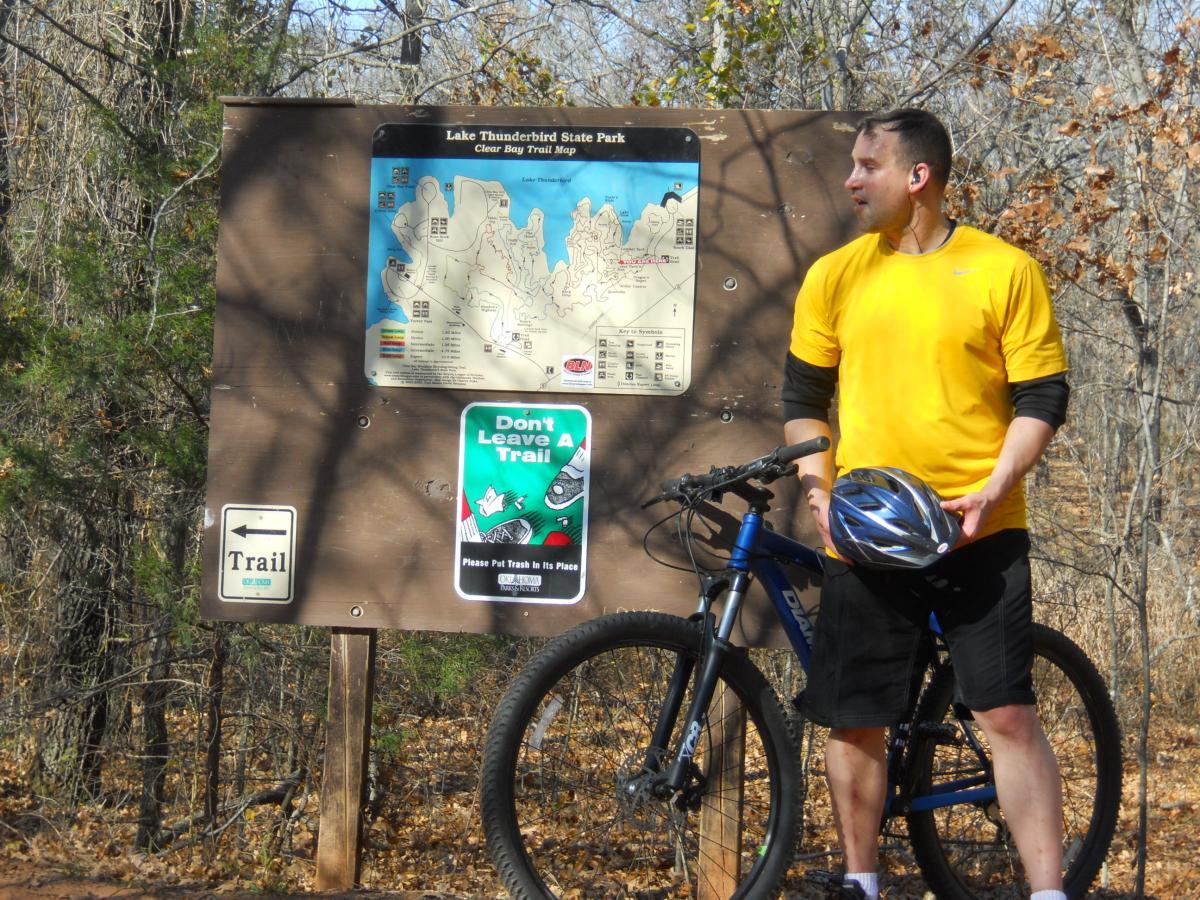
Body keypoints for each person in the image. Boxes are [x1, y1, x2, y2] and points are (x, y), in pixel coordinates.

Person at [782, 108, 1071, 900]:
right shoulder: (837, 275)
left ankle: (1048, 892)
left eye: (866, 166)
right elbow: (804, 399)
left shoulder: (1003, 269)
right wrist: (819, 488)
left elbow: (1042, 395)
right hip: (868, 538)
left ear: (918, 178)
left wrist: (996, 484)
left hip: (981, 530)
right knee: (856, 718)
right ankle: (861, 882)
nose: (850, 180)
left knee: (1005, 714)